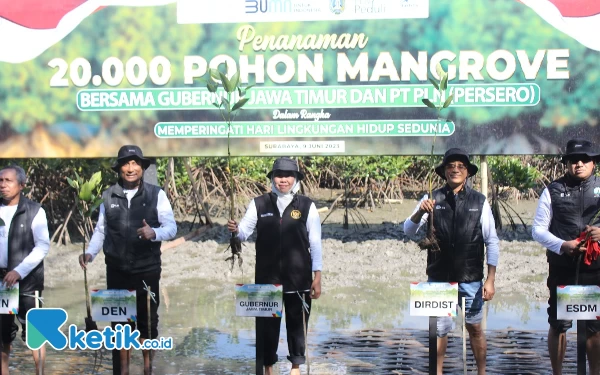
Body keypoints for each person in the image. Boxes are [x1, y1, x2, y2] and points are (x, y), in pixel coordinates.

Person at [79, 145, 177, 375]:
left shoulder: (156, 194)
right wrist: (90, 253)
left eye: (135, 163)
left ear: (142, 167)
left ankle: (147, 369)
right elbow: (101, 231)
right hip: (117, 270)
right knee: (120, 324)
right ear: (119, 168)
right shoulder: (108, 195)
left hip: (147, 271)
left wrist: (154, 232)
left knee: (148, 321)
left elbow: (171, 228)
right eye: (126, 163)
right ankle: (123, 371)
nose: (130, 168)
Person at [403, 148, 499, 375]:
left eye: (460, 166)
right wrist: (419, 212)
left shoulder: (480, 201)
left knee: (475, 328)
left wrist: (491, 279)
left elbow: (491, 241)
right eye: (450, 166)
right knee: (439, 330)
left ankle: (481, 372)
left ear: (467, 173)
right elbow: (408, 230)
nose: (455, 170)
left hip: (471, 277)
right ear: (444, 171)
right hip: (439, 277)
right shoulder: (431, 199)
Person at [227, 157, 322, 375]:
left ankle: (295, 367)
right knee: (267, 328)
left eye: (289, 175)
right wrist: (234, 230)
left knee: (298, 326)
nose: (283, 180)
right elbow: (243, 232)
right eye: (279, 175)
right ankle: (268, 367)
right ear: (272, 178)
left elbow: (315, 242)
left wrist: (317, 276)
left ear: (296, 178)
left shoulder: (307, 206)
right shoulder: (259, 204)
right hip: (267, 280)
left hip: (299, 279)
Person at [532, 138, 600, 375]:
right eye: (573, 160)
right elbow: (538, 230)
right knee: (558, 324)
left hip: (594, 271)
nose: (578, 164)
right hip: (563, 267)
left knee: (594, 326)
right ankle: (557, 373)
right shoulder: (553, 190)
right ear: (567, 164)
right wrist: (563, 245)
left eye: (584, 160)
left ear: (593, 163)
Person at [0, 164, 50, 374]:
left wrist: (19, 271)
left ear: (21, 185)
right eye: (0, 181)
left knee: (35, 334)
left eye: (8, 181)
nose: (3, 185)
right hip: (2, 282)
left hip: (28, 281)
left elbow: (43, 246)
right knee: (2, 335)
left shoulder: (35, 210)